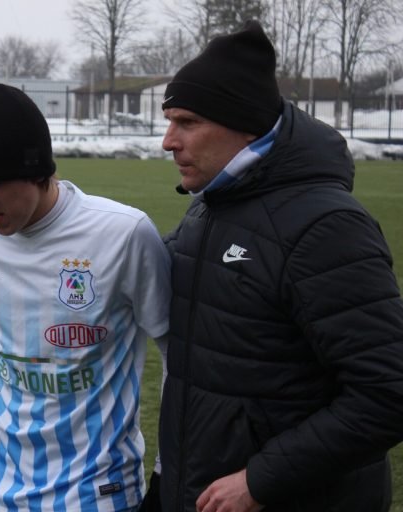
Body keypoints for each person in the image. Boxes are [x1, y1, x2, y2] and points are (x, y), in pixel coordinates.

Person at [158, 20, 403, 512]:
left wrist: (260, 481)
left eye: (187, 122)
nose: (168, 140)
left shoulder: (326, 227)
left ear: (242, 123)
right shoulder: (210, 206)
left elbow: (388, 392)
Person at [0, 83, 172, 512]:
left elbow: (177, 356)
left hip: (100, 493)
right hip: (3, 488)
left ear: (36, 171)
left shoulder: (125, 233)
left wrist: (165, 472)